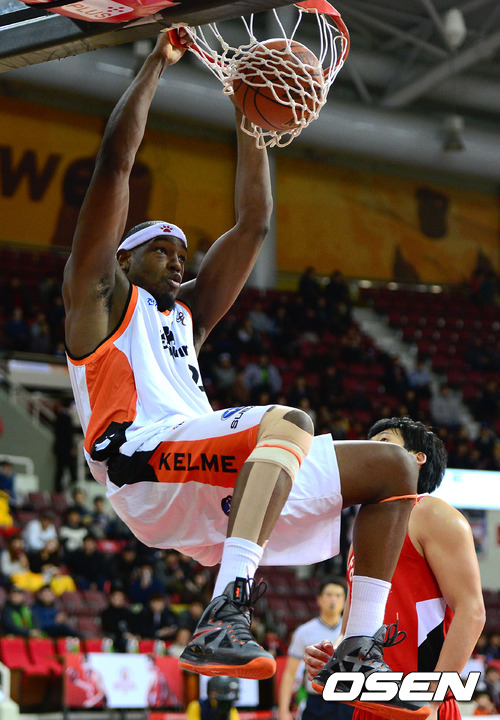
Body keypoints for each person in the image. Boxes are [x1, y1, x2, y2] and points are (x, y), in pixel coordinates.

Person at [62, 29, 422, 712]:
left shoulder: (185, 318)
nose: (179, 260)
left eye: (184, 254)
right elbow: (114, 164)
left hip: (205, 474)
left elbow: (254, 223)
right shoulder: (99, 299)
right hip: (139, 461)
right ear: (124, 259)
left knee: (394, 468)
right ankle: (226, 611)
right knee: (288, 421)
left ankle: (360, 648)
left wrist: (247, 112)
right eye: (162, 249)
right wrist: (156, 64)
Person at [304, 417, 485, 720]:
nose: (369, 452)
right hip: (370, 704)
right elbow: (351, 629)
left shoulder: (431, 512)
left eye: (384, 442)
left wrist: (432, 701)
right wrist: (334, 653)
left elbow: (472, 611)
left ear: (417, 458)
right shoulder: (361, 536)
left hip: (419, 701)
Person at [278, 580, 353, 720]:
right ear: (319, 599)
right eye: (329, 594)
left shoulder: (353, 631)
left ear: (345, 601)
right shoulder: (304, 632)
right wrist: (283, 711)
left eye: (338, 595)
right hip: (316, 702)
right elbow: (290, 673)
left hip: (347, 701)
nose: (333, 599)